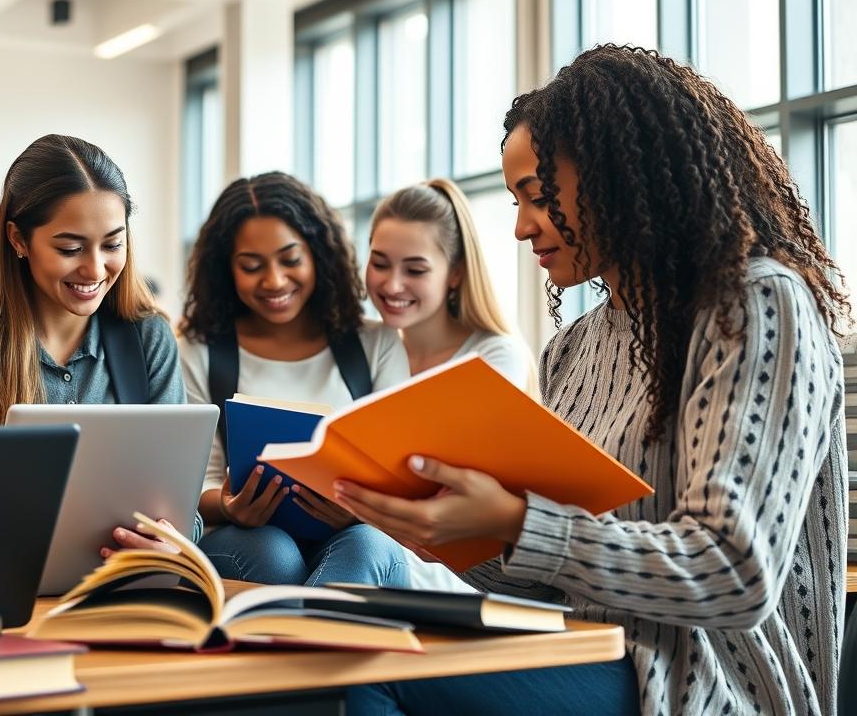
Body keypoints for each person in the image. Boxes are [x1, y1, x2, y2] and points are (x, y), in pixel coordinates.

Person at [338, 45, 850, 716]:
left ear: (619, 178)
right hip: (581, 649)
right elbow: (547, 577)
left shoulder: (755, 307)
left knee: (363, 663)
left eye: (538, 195)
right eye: (517, 200)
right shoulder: (573, 349)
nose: (521, 227)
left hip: (699, 685)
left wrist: (517, 521)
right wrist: (430, 524)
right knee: (349, 592)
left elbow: (732, 571)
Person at [0, 133, 194, 550]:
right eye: (70, 248)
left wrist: (174, 542)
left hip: (132, 570)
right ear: (18, 240)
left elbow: (182, 505)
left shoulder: (148, 337)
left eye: (112, 244)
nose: (95, 269)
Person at [177, 171, 413, 587]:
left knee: (369, 546)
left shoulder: (375, 344)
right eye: (251, 266)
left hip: (351, 536)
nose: (274, 281)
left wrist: (358, 509)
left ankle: (298, 626)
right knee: (273, 553)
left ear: (317, 254)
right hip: (244, 540)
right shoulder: (199, 353)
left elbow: (399, 473)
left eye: (290, 260)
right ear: (225, 269)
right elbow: (195, 484)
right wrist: (229, 507)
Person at [366, 179, 535, 390]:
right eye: (380, 264)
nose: (392, 286)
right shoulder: (365, 349)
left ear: (456, 273)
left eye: (415, 270)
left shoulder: (495, 357)